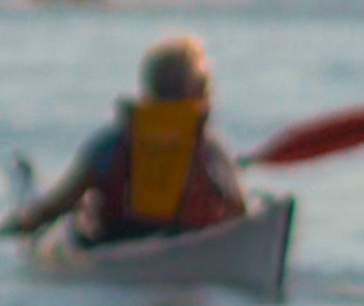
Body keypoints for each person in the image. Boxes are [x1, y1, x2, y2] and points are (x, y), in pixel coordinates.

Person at [15, 37, 249, 246]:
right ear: (201, 94)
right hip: (190, 240)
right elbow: (239, 211)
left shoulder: (110, 144)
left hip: (117, 241)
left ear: (150, 91)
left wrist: (31, 220)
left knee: (83, 213)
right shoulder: (210, 149)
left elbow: (63, 201)